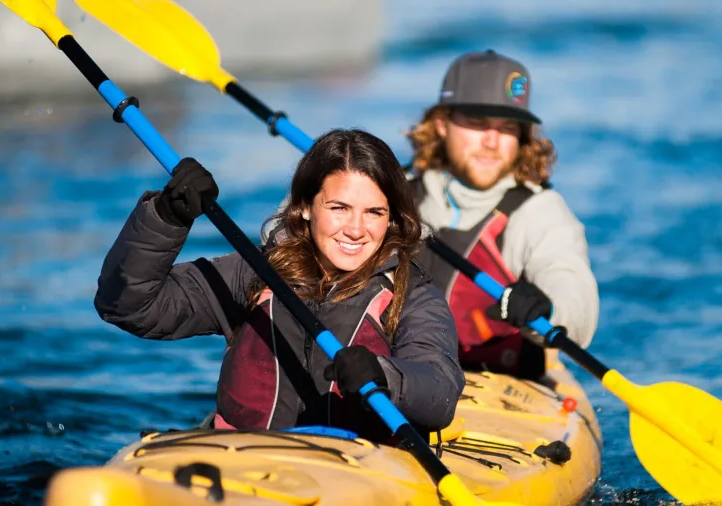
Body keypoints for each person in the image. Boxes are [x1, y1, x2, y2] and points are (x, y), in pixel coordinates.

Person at [93, 128, 465, 441]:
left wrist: (385, 376)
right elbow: (127, 305)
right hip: (241, 463)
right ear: (305, 207)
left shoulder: (413, 296)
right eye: (339, 208)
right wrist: (166, 216)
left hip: (355, 476)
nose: (356, 229)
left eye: (374, 212)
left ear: (392, 219)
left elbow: (440, 391)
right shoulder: (255, 273)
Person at [406, 50, 600, 379]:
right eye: (478, 124)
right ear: (441, 124)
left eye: (507, 127)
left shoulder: (538, 211)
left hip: (500, 383)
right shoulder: (391, 196)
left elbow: (573, 289)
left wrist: (549, 308)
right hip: (398, 375)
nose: (492, 141)